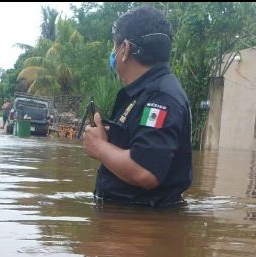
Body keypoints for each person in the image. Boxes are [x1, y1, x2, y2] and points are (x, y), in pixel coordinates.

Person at [82, 7, 192, 208]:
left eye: (114, 46)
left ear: (125, 49)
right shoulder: (142, 94)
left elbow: (145, 170)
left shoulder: (160, 98)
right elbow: (143, 146)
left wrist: (99, 147)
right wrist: (110, 138)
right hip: (123, 221)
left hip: (143, 226)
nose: (113, 53)